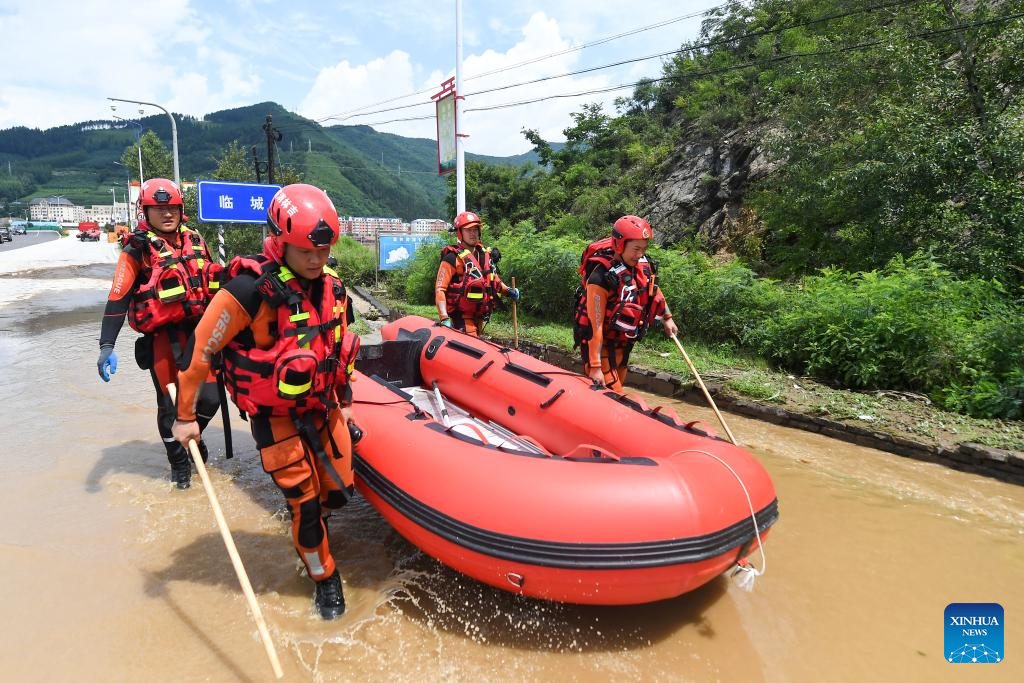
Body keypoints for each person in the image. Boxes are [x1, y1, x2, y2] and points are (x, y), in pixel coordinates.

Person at [171, 184, 359, 620]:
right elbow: (198, 355)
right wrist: (184, 418)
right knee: (305, 504)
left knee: (335, 495)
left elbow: (338, 347)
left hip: (323, 407)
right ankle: (324, 579)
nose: (316, 259)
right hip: (275, 417)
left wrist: (344, 400)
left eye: (324, 250)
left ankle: (311, 542)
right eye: (305, 250)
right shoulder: (246, 290)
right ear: (279, 239)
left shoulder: (334, 286)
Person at [96, 178, 222, 489]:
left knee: (210, 398)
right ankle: (178, 462)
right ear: (146, 212)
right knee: (169, 405)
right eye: (159, 209)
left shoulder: (195, 239)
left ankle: (191, 435)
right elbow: (118, 297)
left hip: (200, 332)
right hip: (163, 340)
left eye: (172, 208)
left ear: (181, 210)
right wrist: (106, 345)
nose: (167, 214)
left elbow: (215, 282)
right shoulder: (136, 250)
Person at [573, 215, 678, 392]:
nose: (640, 254)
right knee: (612, 391)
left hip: (624, 342)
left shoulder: (643, 265)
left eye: (644, 249)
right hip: (601, 343)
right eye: (636, 249)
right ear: (619, 245)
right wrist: (596, 367)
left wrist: (667, 318)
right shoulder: (600, 278)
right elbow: (595, 325)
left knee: (618, 381)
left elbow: (653, 291)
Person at [434, 210, 520, 337]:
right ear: (459, 233)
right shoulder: (452, 259)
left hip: (479, 316)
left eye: (475, 229)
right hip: (461, 317)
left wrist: (508, 291)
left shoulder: (484, 256)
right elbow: (440, 289)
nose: (473, 233)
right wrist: (444, 317)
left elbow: (492, 280)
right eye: (468, 230)